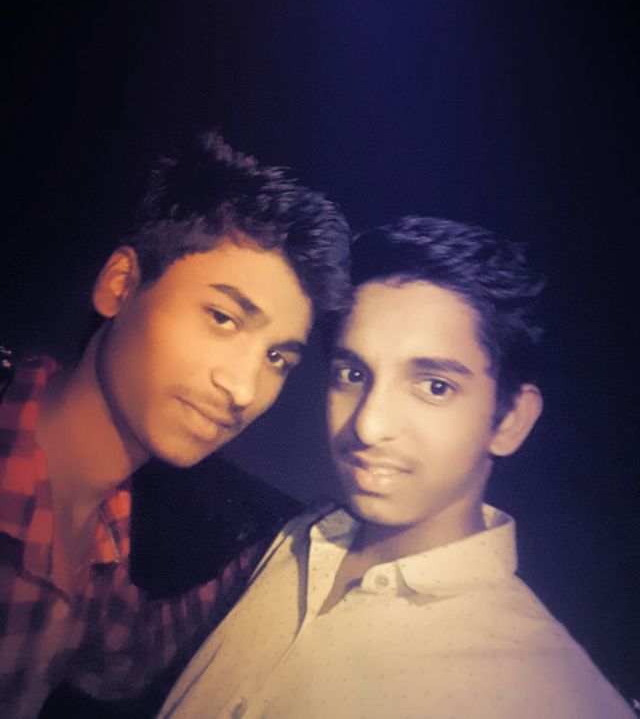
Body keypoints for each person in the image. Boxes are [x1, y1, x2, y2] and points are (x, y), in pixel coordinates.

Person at [160, 215, 634, 718]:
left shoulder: (549, 695)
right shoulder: (301, 539)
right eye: (353, 374)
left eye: (434, 386)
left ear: (510, 419)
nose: (368, 425)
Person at [0, 133, 351, 719]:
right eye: (223, 318)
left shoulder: (106, 528)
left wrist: (287, 545)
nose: (244, 390)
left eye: (277, 359)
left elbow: (123, 658)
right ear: (120, 285)